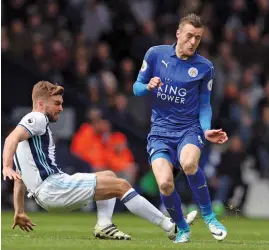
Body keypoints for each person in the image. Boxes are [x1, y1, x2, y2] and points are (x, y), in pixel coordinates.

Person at [2, 81, 197, 240]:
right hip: (53, 187)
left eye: (61, 103)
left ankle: (104, 225)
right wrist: (6, 166)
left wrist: (19, 211)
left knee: (109, 175)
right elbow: (10, 138)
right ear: (42, 103)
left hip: (47, 191)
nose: (61, 108)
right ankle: (170, 227)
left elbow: (19, 178)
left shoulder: (26, 140)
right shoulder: (36, 118)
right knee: (121, 185)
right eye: (57, 103)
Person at [133, 13, 228, 243]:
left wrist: (205, 130)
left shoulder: (205, 68)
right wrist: (148, 86)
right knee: (165, 183)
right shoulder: (155, 54)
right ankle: (183, 228)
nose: (193, 41)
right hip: (159, 133)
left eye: (198, 38)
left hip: (189, 129)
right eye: (189, 36)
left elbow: (204, 105)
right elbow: (136, 88)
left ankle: (209, 216)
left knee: (189, 164)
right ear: (178, 34)